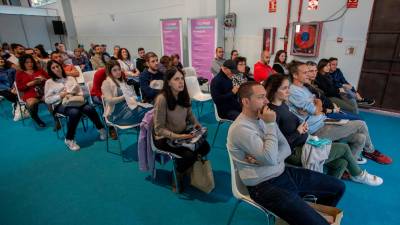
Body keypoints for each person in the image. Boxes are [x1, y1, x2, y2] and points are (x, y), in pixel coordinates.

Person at [227, 81, 345, 225]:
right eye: (261, 97)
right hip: (263, 186)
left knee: (338, 187)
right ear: (246, 101)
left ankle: (309, 215)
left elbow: (286, 147)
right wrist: (271, 126)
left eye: (265, 96)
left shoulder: (264, 117)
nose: (266, 101)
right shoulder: (241, 128)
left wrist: (269, 157)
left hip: (283, 172)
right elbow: (270, 157)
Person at [265, 74, 383, 185]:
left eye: (288, 87)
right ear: (274, 90)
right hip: (295, 151)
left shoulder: (283, 105)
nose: (288, 91)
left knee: (342, 163)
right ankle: (358, 174)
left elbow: (295, 121)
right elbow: (278, 144)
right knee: (344, 148)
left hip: (305, 141)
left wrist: (302, 125)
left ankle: (326, 191)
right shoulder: (272, 112)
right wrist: (298, 131)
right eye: (284, 88)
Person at [287, 60, 392, 165]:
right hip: (316, 130)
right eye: (305, 73)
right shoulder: (293, 90)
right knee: (361, 123)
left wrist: (316, 105)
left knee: (361, 138)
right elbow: (315, 110)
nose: (308, 75)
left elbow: (317, 106)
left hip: (324, 121)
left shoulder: (304, 88)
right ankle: (370, 151)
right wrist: (316, 104)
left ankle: (348, 166)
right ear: (295, 75)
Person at [153, 67, 210, 192]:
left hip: (182, 133)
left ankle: (185, 167)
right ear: (168, 82)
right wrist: (178, 137)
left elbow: (189, 114)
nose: (181, 82)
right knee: (190, 155)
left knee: (205, 147)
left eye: (182, 79)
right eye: (176, 79)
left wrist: (196, 123)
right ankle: (178, 173)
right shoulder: (161, 99)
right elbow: (158, 129)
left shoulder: (184, 94)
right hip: (165, 138)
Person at [44, 60, 106, 151]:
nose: (56, 69)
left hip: (75, 100)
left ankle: (101, 129)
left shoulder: (70, 78)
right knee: (75, 112)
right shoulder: (49, 82)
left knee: (89, 108)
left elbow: (79, 90)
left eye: (57, 66)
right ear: (50, 70)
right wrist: (59, 95)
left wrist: (72, 92)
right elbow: (47, 100)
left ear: (61, 67)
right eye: (53, 68)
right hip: (60, 104)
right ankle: (69, 139)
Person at [101, 60, 150, 125]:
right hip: (117, 115)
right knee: (149, 113)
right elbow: (110, 101)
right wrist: (124, 96)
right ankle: (146, 132)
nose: (118, 72)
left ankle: (146, 132)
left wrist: (132, 98)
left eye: (119, 69)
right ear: (109, 72)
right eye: (114, 70)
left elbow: (129, 96)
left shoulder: (120, 80)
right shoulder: (106, 83)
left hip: (127, 108)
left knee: (150, 109)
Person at [15, 54, 49, 127]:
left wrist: (44, 79)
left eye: (31, 62)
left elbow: (50, 80)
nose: (30, 64)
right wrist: (28, 84)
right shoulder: (19, 73)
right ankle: (36, 118)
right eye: (27, 62)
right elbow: (20, 88)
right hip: (29, 93)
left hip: (43, 91)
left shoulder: (40, 70)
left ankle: (56, 119)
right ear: (22, 63)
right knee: (31, 103)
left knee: (50, 100)